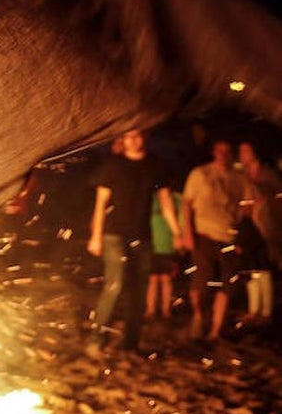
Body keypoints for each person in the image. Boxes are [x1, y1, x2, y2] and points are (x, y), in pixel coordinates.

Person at [86, 129, 182, 354]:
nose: (133, 140)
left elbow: (166, 201)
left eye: (137, 135)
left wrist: (177, 232)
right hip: (113, 234)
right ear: (122, 140)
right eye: (128, 136)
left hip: (142, 235)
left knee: (139, 291)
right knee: (115, 284)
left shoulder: (155, 165)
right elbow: (101, 203)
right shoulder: (113, 165)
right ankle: (96, 337)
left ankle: (131, 343)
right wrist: (95, 236)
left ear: (144, 138)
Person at [180, 139, 255, 341]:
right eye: (220, 150)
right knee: (201, 280)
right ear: (214, 152)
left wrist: (241, 232)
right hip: (203, 234)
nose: (223, 154)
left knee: (227, 284)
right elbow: (187, 205)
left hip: (228, 237)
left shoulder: (239, 178)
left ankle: (215, 330)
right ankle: (198, 315)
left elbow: (248, 206)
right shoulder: (200, 174)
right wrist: (186, 232)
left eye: (227, 151)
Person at [237, 140, 281, 323]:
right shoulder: (241, 176)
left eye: (245, 150)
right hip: (249, 230)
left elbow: (276, 198)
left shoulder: (268, 175)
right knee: (251, 269)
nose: (241, 155)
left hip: (267, 228)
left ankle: (266, 311)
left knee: (265, 268)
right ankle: (254, 310)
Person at [146, 189, 183, 323]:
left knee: (166, 279)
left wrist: (180, 238)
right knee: (153, 279)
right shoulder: (151, 198)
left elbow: (182, 219)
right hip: (152, 246)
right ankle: (150, 311)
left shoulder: (177, 198)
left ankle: (166, 311)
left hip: (168, 245)